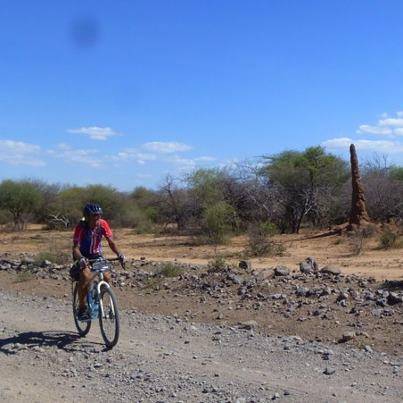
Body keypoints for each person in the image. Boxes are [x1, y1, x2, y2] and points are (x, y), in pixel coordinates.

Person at [71, 203, 125, 320]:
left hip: (97, 255)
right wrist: (81, 259)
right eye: (94, 215)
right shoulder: (81, 227)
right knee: (85, 278)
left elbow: (111, 242)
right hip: (82, 256)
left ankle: (96, 297)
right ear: (87, 216)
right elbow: (75, 248)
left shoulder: (102, 224)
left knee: (106, 277)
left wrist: (119, 254)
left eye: (99, 215)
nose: (97, 218)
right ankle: (81, 308)